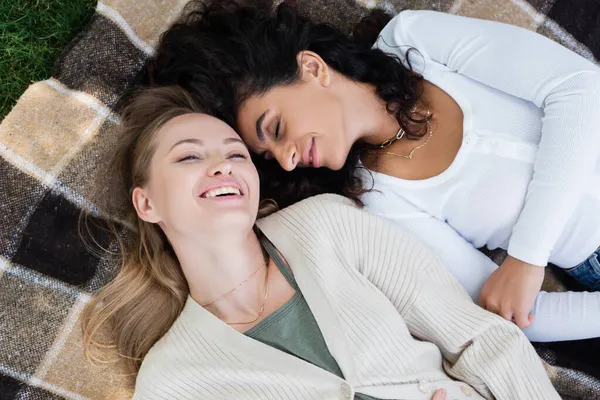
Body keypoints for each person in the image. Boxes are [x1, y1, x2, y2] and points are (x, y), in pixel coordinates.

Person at [150, 0, 600, 342]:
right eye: (268, 156)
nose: (286, 158)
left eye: (277, 128)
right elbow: (508, 311)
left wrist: (527, 255)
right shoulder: (375, 201)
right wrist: (525, 272)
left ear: (311, 67)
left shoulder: (414, 42)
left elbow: (580, 89)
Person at [81, 86, 558, 400]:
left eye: (235, 153)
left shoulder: (328, 226)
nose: (223, 165)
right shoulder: (175, 384)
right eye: (189, 157)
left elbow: (483, 339)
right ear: (147, 205)